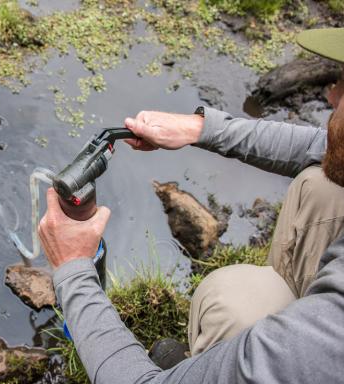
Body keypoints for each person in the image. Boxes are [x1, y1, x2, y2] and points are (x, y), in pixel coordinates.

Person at [38, 28, 344, 383]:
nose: (332, 93)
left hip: (313, 354)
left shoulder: (331, 336)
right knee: (322, 184)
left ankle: (217, 364)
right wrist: (200, 129)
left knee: (228, 301)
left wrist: (73, 270)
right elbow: (323, 148)